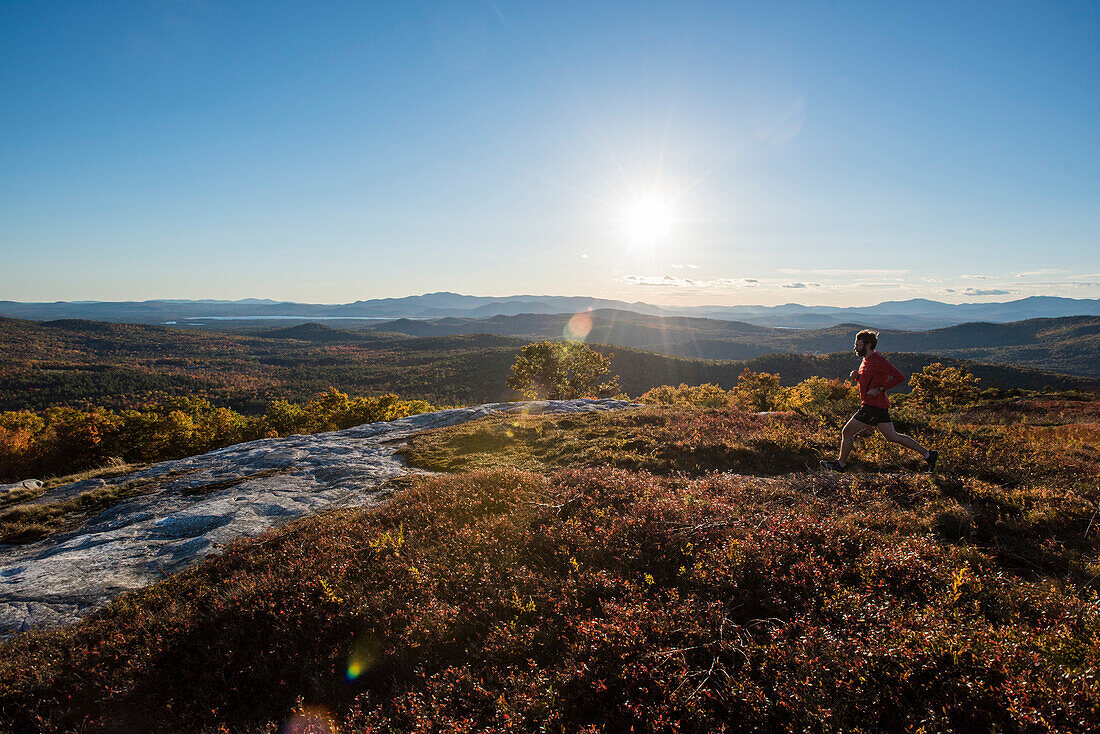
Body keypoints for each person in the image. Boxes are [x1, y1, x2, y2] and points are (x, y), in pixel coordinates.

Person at [820, 329, 937, 473]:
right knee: (892, 436)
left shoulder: (878, 361)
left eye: (858, 344)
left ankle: (841, 465)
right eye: (855, 344)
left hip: (872, 407)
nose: (855, 347)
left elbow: (899, 377)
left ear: (868, 345)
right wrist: (857, 377)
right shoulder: (866, 360)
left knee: (847, 432)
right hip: (878, 406)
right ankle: (928, 454)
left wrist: (881, 388)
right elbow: (870, 379)